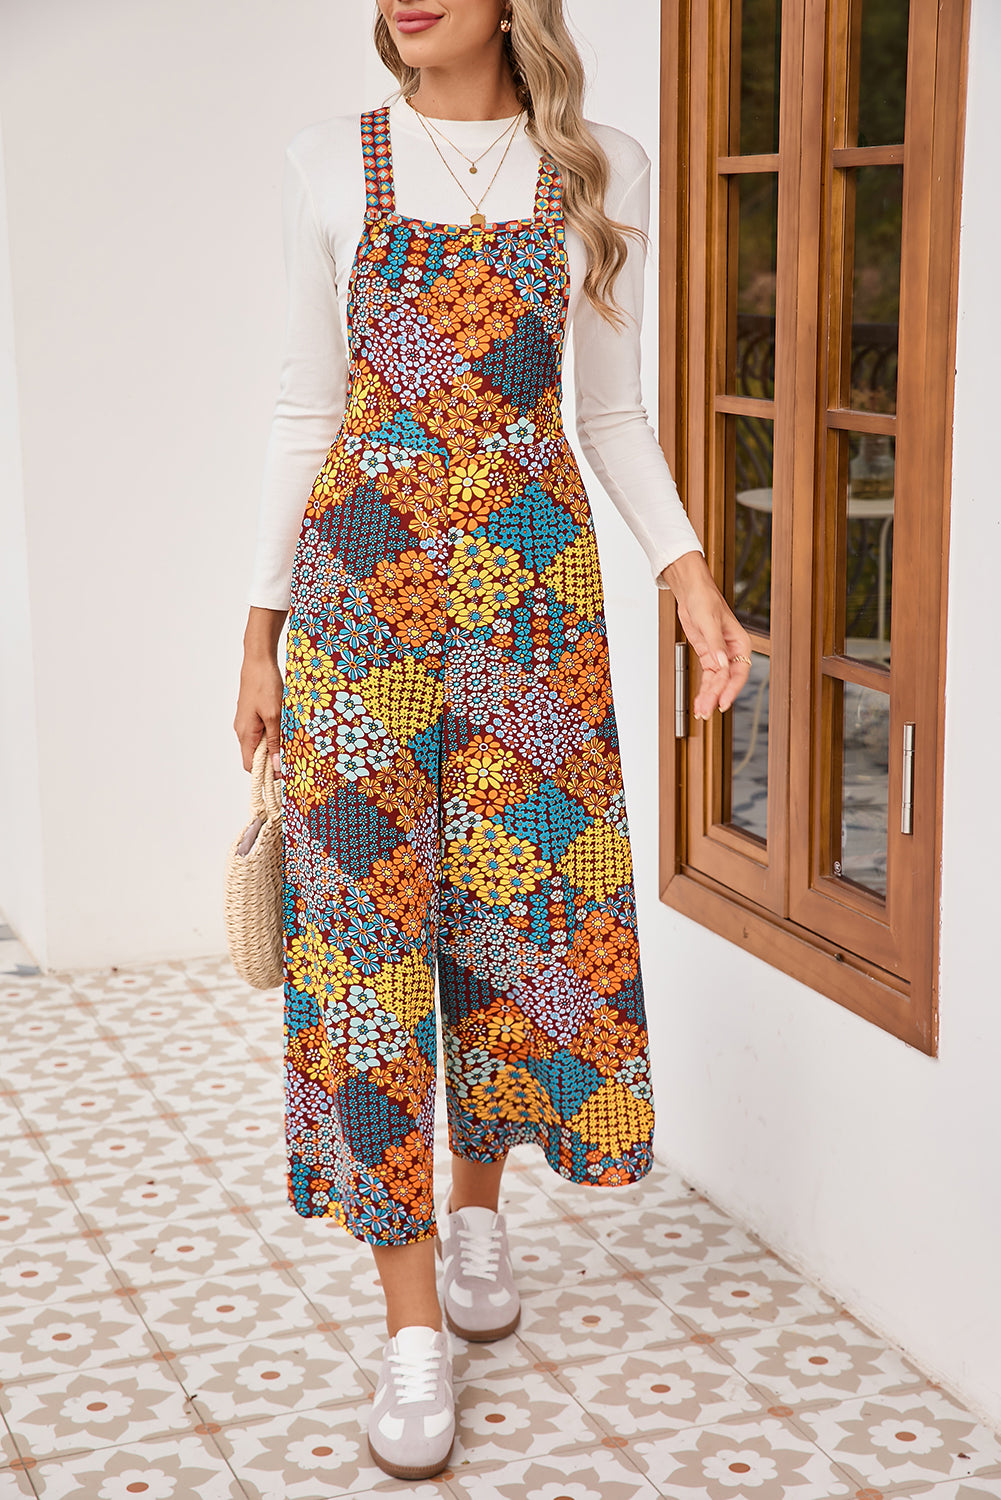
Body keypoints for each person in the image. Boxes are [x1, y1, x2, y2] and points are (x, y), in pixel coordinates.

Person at [234, 0, 751, 1480]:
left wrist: (688, 576)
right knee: (363, 940)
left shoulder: (599, 165)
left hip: (532, 598)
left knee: (521, 917)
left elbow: (612, 414)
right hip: (362, 594)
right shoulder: (330, 159)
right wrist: (259, 630)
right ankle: (409, 1331)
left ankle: (476, 1213)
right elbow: (305, 408)